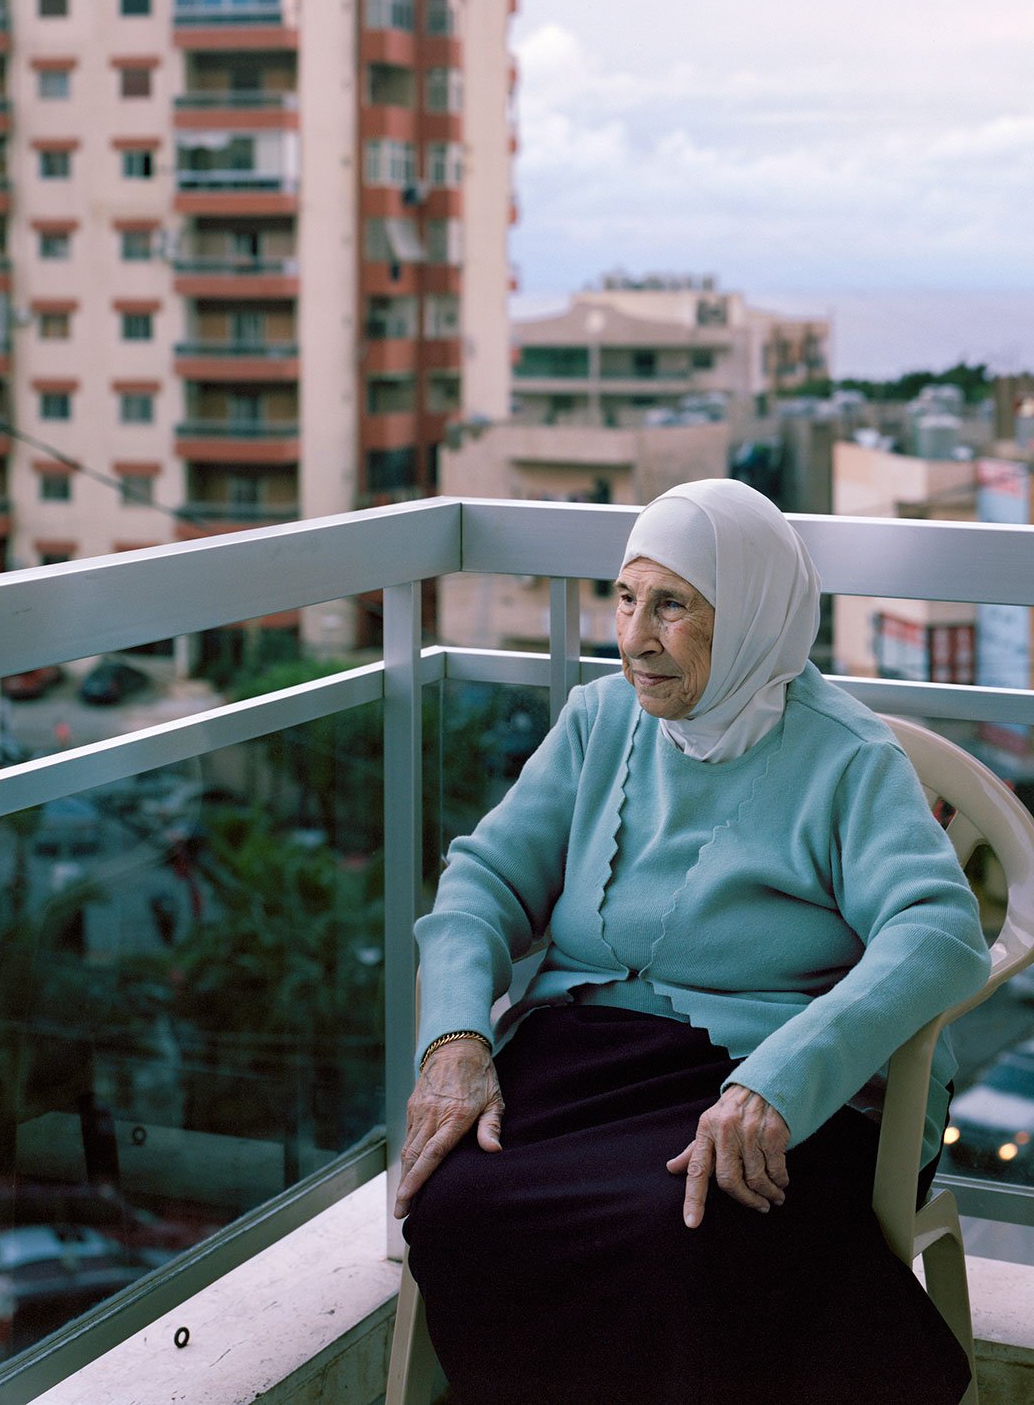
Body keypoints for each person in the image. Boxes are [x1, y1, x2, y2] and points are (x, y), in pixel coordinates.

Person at [395, 479, 990, 1405]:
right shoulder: (600, 720)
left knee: (682, 1235)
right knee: (455, 1206)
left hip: (775, 1080)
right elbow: (483, 879)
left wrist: (780, 1081)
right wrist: (457, 1037)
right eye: (625, 598)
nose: (633, 638)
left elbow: (940, 929)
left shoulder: (848, 757)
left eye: (670, 605)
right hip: (585, 1059)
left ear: (750, 613)